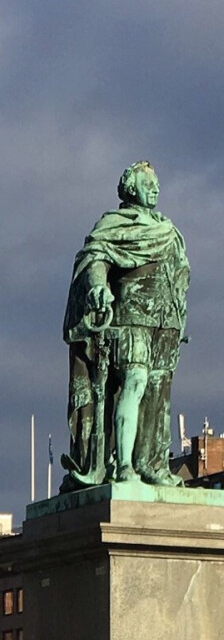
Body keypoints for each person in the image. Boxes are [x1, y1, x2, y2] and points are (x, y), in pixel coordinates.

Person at [61, 161, 190, 491]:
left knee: (158, 396)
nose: (155, 189)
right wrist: (98, 287)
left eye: (157, 184)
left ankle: (153, 464)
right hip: (130, 317)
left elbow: (179, 275)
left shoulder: (168, 230)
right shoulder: (114, 224)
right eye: (148, 184)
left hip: (165, 322)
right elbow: (96, 258)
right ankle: (124, 466)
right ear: (131, 189)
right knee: (134, 383)